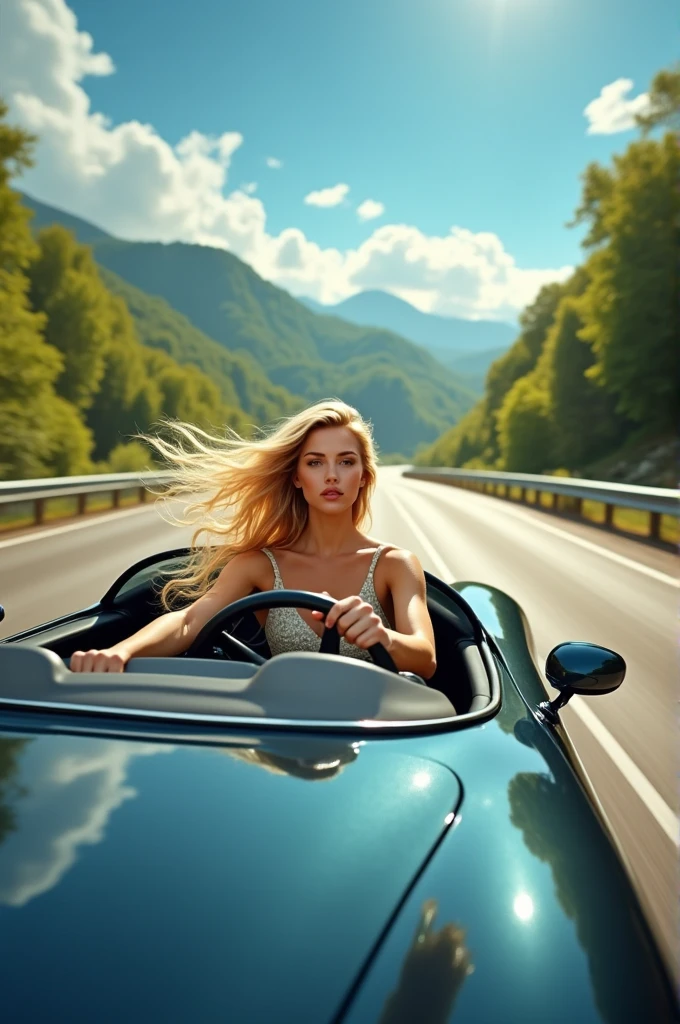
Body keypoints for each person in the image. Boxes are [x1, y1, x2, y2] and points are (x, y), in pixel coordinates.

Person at [69, 399, 437, 678]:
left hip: (377, 734)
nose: (331, 476)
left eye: (345, 462)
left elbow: (426, 657)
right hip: (281, 730)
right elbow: (188, 623)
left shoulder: (394, 564)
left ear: (363, 477)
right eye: (314, 462)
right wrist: (120, 652)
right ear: (296, 477)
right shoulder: (259, 565)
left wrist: (381, 637)